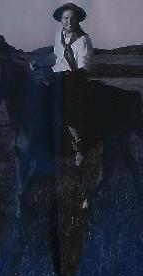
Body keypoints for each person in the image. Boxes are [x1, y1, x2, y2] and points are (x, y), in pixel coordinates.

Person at [51, 3, 93, 166]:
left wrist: (71, 74)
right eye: (65, 18)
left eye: (72, 18)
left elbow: (84, 66)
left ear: (78, 20)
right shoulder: (59, 36)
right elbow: (57, 57)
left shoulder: (83, 39)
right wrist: (40, 65)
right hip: (58, 75)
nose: (69, 21)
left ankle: (79, 144)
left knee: (66, 104)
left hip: (76, 77)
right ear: (61, 20)